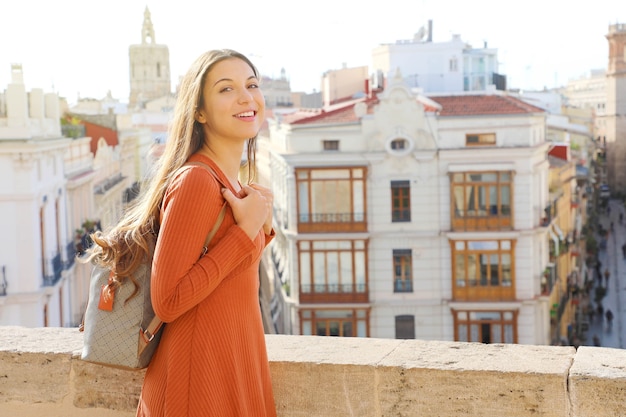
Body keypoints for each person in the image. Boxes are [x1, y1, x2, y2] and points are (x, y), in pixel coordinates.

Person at [89, 49, 276, 417]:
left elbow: (226, 278)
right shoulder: (196, 181)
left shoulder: (228, 182)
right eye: (226, 89)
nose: (246, 96)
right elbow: (168, 299)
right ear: (199, 112)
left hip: (233, 367)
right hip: (198, 383)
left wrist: (259, 226)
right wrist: (246, 231)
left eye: (251, 84)